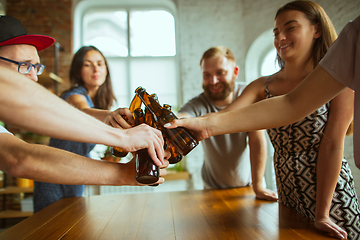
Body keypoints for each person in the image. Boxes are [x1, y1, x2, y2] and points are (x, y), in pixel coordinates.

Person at [167, 2, 359, 239]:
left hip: (330, 199)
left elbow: (331, 145)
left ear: (316, 30)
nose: (281, 37)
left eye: (290, 28)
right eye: (276, 32)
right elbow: (224, 117)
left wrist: (322, 213)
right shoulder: (262, 86)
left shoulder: (338, 80)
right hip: (287, 194)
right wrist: (178, 124)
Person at [0, 16, 168, 189]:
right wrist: (121, 136)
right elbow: (77, 110)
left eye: (36, 67)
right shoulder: (76, 95)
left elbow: (21, 157)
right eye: (25, 65)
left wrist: (123, 172)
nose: (34, 78)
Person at [177, 46, 277, 200]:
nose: (213, 81)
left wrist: (258, 187)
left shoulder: (249, 95)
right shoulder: (197, 104)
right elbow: (181, 119)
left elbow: (256, 140)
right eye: (207, 75)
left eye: (220, 73)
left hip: (251, 188)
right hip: (211, 189)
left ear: (235, 72)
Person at [34, 46, 123, 212]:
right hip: (53, 174)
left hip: (76, 173)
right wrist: (112, 116)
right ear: (78, 70)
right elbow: (82, 110)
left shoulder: (98, 102)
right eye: (87, 64)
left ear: (106, 69)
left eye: (100, 63)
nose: (96, 68)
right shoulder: (73, 95)